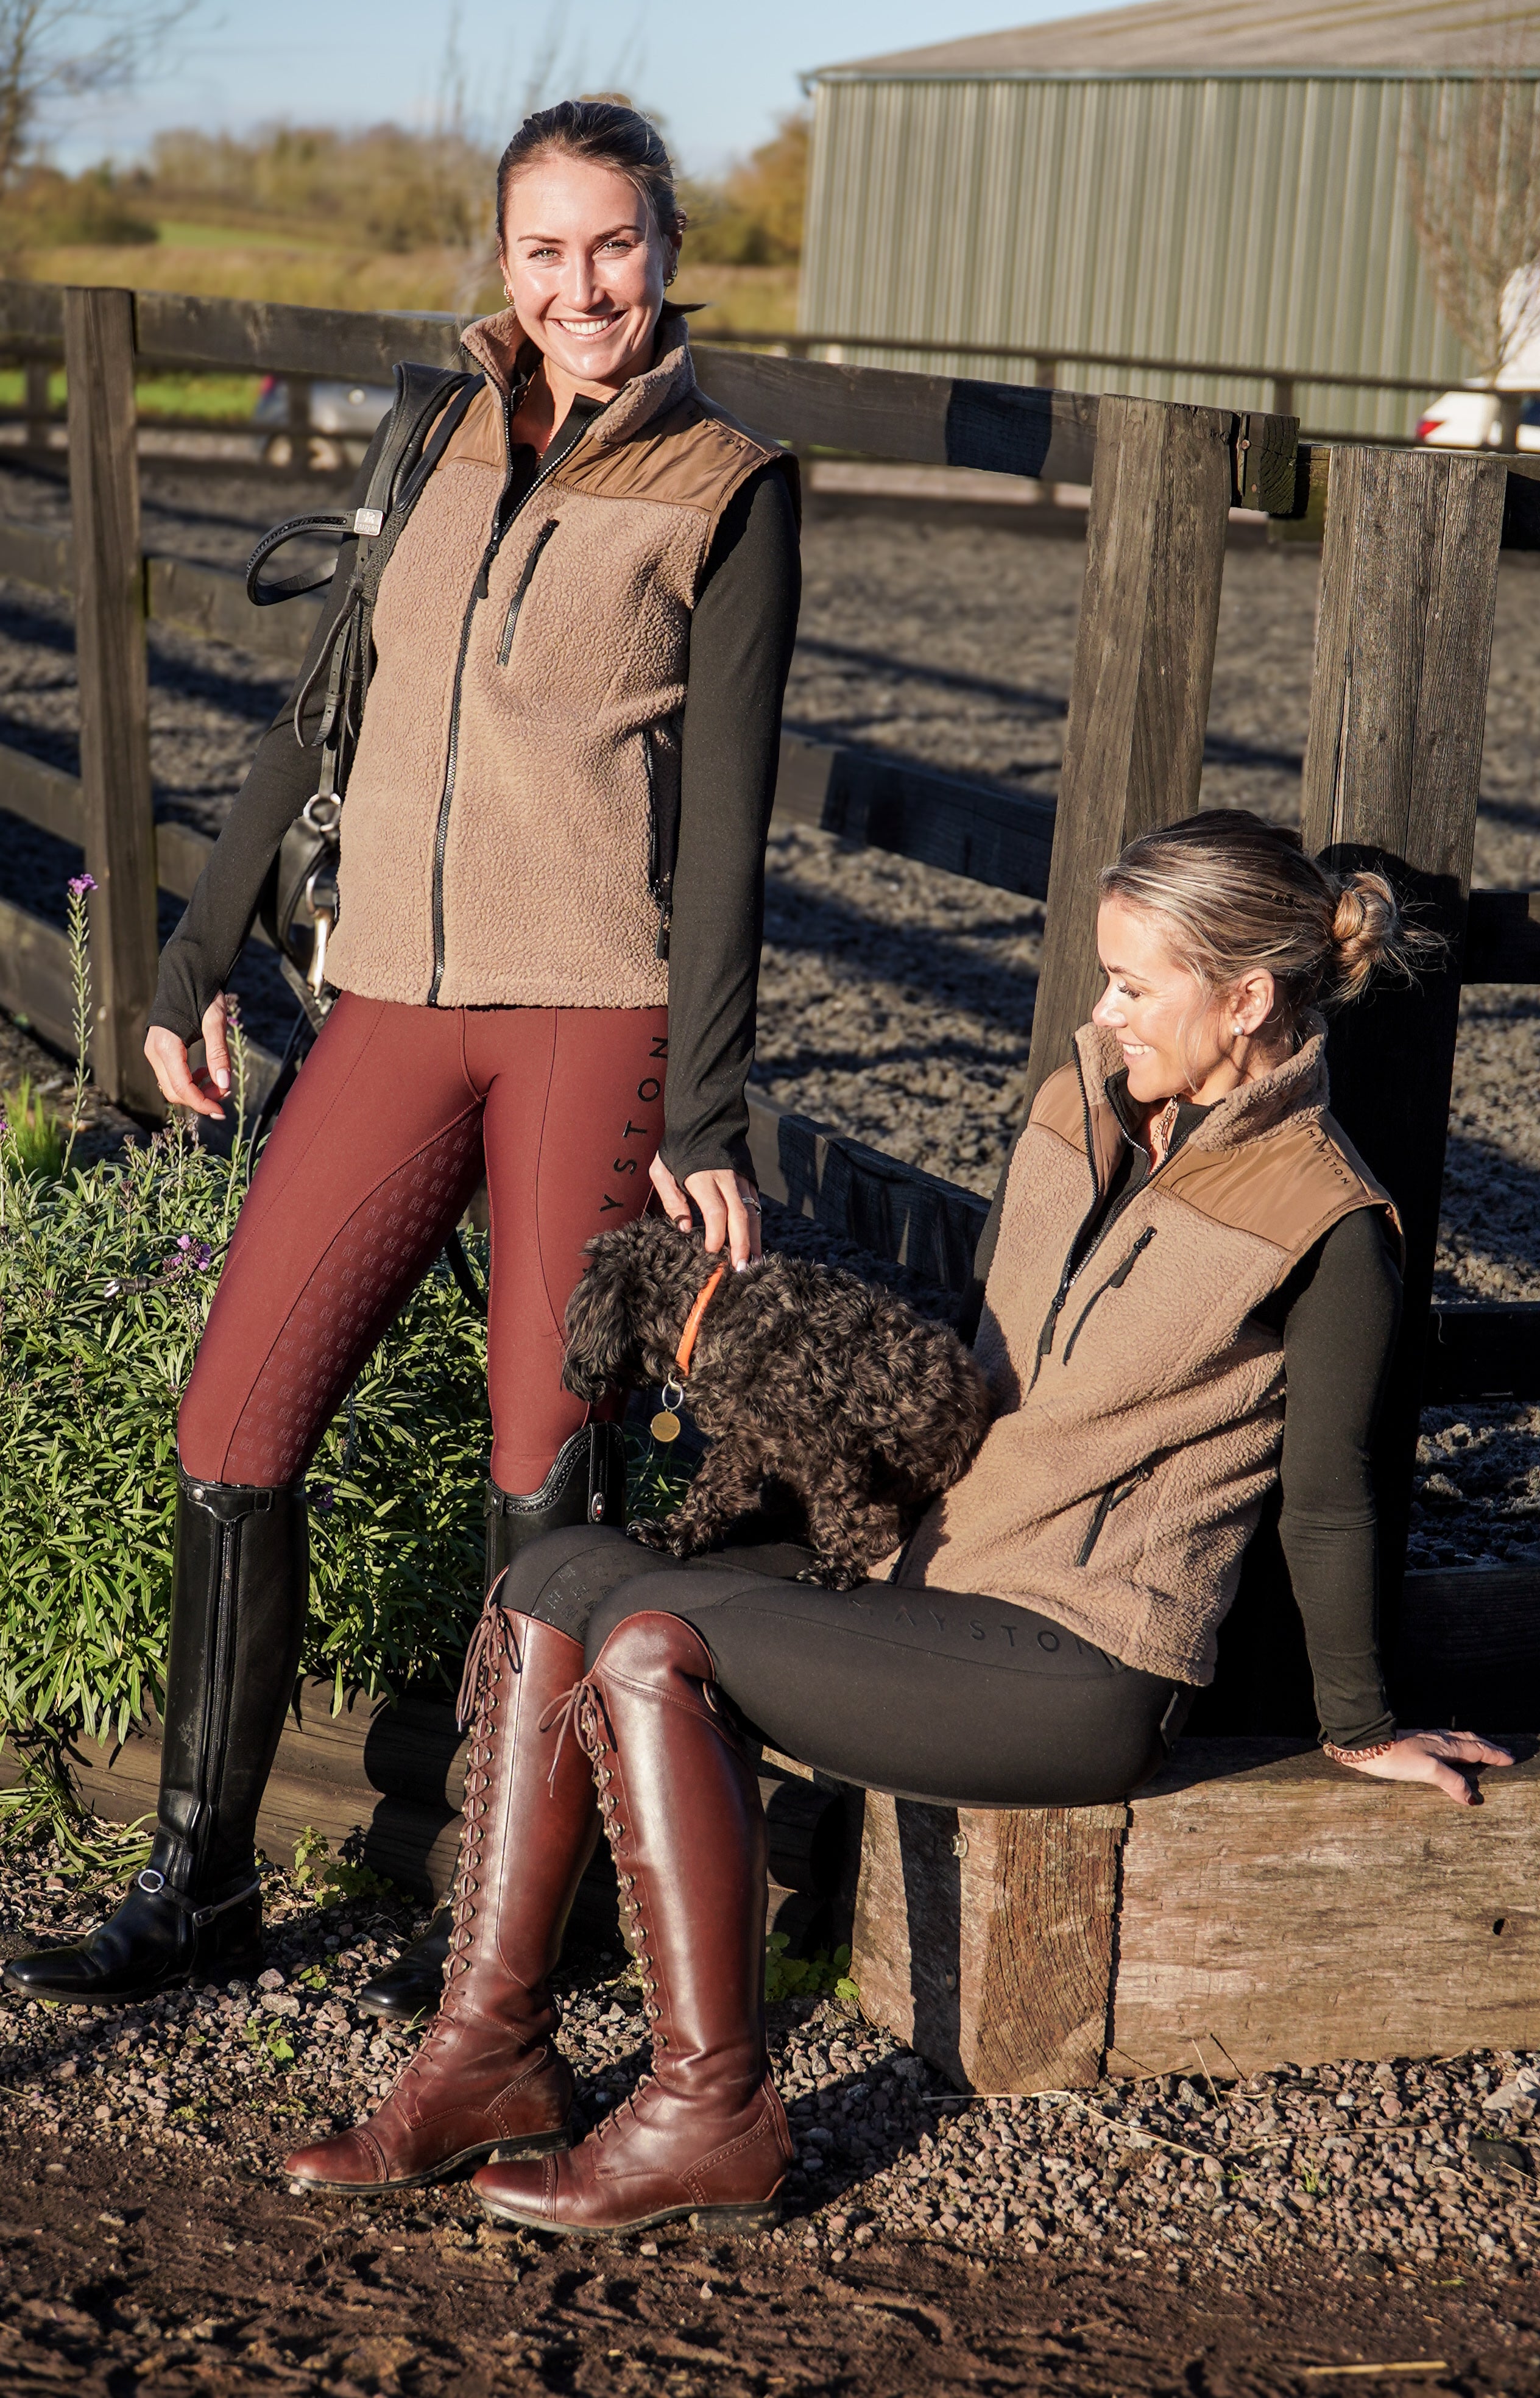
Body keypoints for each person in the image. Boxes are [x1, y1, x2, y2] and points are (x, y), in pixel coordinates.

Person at [281, 808, 1512, 2231]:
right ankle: (488, 2056)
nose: (1101, 1014)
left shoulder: (1326, 1218)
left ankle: (708, 2116)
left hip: (1080, 1661)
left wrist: (1360, 1721)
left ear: (1243, 1003)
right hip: (937, 1578)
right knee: (551, 1577)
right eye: (1101, 976)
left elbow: (1336, 1500)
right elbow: (976, 1377)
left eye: (1133, 985)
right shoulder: (1079, 1106)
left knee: (649, 1639)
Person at [3, 100, 801, 2014]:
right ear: (501, 259)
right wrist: (194, 951)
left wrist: (705, 1106)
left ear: (666, 249)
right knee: (234, 1421)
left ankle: (526, 1930)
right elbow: (321, 707)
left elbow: (728, 836)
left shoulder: (729, 480)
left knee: (548, 1469)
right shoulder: (433, 425)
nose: (580, 287)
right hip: (391, 1002)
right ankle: (202, 1886)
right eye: (544, 250)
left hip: (593, 1020)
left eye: (612, 246)